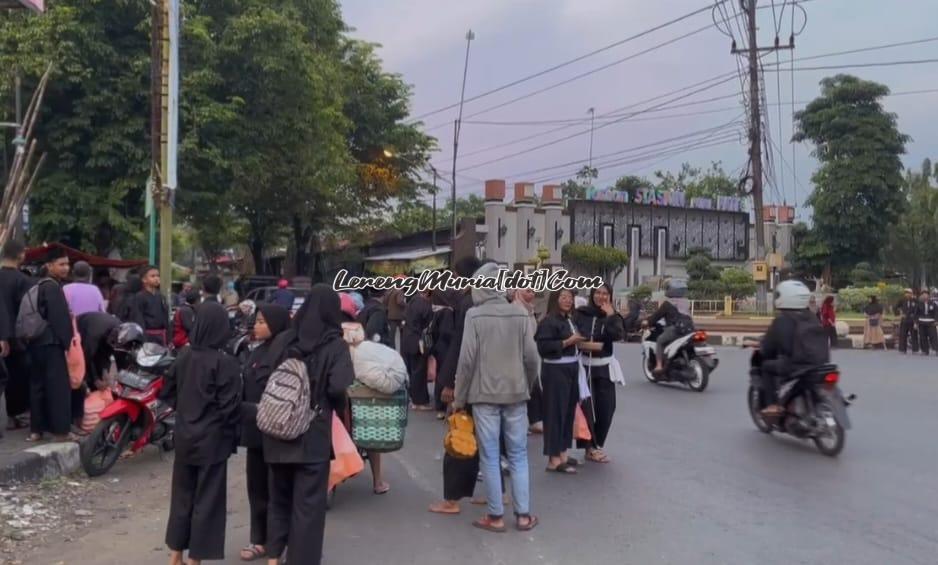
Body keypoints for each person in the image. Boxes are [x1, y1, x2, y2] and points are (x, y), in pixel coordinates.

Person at [262, 285, 353, 565]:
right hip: (312, 436)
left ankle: (273, 558)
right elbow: (339, 386)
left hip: (277, 433)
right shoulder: (336, 345)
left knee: (278, 500)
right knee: (308, 508)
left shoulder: (284, 339)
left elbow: (265, 376)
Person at [452, 262, 540, 533]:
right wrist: (527, 382)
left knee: (490, 456)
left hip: (484, 396)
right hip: (516, 393)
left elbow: (466, 362)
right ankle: (524, 515)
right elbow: (532, 358)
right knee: (518, 455)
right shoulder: (520, 315)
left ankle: (495, 516)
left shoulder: (474, 316)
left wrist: (459, 398)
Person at [161, 302, 241, 565]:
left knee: (182, 496)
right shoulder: (224, 363)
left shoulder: (184, 356)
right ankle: (196, 557)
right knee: (207, 499)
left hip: (184, 437)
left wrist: (187, 410)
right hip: (213, 441)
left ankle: (176, 554)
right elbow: (230, 407)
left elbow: (167, 392)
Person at [429, 256, 482, 515]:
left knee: (459, 436)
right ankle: (494, 494)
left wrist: (448, 382)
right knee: (488, 440)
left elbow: (460, 345)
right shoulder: (497, 302)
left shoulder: (467, 304)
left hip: (467, 380)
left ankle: (451, 499)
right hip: (492, 383)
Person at [238, 303, 290, 562]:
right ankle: (258, 539)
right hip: (255, 431)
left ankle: (277, 543)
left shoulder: (286, 355)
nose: (256, 326)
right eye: (256, 321)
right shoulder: (255, 352)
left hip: (278, 433)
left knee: (276, 490)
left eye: (262, 321)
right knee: (256, 487)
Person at [758, 280, 830, 418]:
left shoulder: (782, 320)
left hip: (797, 365)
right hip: (821, 364)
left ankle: (773, 405)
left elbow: (768, 348)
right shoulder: (812, 317)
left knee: (766, 366)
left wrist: (764, 350)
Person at [27, 247, 77, 442]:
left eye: (67, 264)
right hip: (52, 343)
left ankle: (36, 430)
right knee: (58, 388)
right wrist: (67, 344)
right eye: (61, 264)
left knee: (37, 386)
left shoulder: (39, 284)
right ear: (49, 266)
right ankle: (61, 431)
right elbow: (60, 320)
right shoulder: (53, 287)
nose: (66, 268)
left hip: (36, 343)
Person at [574, 283, 625, 463]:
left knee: (607, 408)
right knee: (586, 409)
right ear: (592, 294)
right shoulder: (581, 313)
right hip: (584, 367)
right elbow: (574, 332)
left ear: (610, 296)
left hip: (604, 367)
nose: (601, 296)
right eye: (597, 293)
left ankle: (597, 444)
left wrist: (610, 316)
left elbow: (618, 335)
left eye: (605, 293)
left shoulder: (613, 316)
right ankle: (590, 447)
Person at [535, 289, 584, 474]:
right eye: (563, 297)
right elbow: (544, 347)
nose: (568, 301)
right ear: (556, 299)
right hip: (555, 370)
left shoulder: (569, 320)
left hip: (571, 368)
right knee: (555, 413)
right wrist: (567, 342)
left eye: (570, 298)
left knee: (568, 413)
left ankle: (563, 452)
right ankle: (553, 459)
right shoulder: (548, 321)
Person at [0, 239, 33, 429]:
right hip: (18, 337)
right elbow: (28, 311)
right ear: (21, 255)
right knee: (20, 376)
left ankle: (11, 416)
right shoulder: (23, 280)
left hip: (2, 335)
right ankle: (17, 414)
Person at [508, 288, 542, 434]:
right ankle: (521, 422)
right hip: (517, 355)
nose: (532, 294)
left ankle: (534, 420)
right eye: (528, 291)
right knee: (521, 390)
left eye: (533, 291)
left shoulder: (529, 309)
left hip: (529, 353)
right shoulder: (514, 309)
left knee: (532, 388)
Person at [644, 279, 691, 375]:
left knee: (660, 340)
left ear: (671, 290)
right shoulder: (686, 302)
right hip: (690, 328)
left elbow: (655, 317)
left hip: (676, 329)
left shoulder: (667, 304)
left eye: (668, 288)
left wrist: (646, 322)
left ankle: (659, 365)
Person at [401, 289, 433, 410]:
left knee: (411, 370)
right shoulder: (425, 305)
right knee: (419, 371)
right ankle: (419, 402)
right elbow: (429, 326)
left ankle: (413, 398)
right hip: (419, 341)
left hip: (407, 339)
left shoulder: (412, 301)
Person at [428, 289, 457, 419]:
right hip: (446, 348)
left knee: (440, 376)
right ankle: (442, 406)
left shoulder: (437, 312)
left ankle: (440, 405)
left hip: (439, 347)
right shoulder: (447, 312)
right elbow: (448, 333)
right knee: (444, 377)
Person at [77, 312, 121, 391]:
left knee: (102, 371)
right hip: (80, 329)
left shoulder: (120, 330)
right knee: (84, 368)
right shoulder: (92, 336)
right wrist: (95, 379)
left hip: (101, 329)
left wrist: (105, 372)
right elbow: (85, 358)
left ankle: (98, 384)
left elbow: (107, 352)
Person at [132, 266, 170, 346]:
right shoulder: (139, 297)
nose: (156, 278)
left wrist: (169, 337)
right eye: (153, 276)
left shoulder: (161, 296)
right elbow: (139, 318)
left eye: (158, 276)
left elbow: (166, 318)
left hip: (162, 335)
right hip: (148, 335)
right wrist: (143, 339)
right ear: (144, 280)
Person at [895, 288, 920, 354]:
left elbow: (918, 310)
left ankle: (915, 350)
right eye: (906, 293)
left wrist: (916, 321)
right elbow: (895, 307)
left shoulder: (915, 300)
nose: (907, 294)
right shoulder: (902, 300)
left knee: (914, 335)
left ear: (911, 293)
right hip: (904, 320)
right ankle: (903, 349)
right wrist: (900, 313)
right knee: (903, 335)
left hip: (912, 320)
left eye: (909, 293)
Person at [385, 281, 407, 351]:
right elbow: (399, 301)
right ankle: (403, 348)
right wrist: (406, 305)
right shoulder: (400, 291)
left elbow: (385, 302)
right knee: (403, 332)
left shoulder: (390, 291)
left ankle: (392, 349)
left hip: (390, 315)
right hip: (399, 316)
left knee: (392, 334)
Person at [916, 290, 938, 356]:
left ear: (928, 296)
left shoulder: (933, 304)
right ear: (921, 296)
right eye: (923, 295)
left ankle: (936, 350)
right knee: (922, 337)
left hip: (931, 322)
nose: (924, 296)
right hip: (922, 322)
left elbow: (936, 313)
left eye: (926, 294)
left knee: (933, 336)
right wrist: (915, 322)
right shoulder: (919, 304)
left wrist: (936, 321)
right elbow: (916, 314)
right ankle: (925, 351)